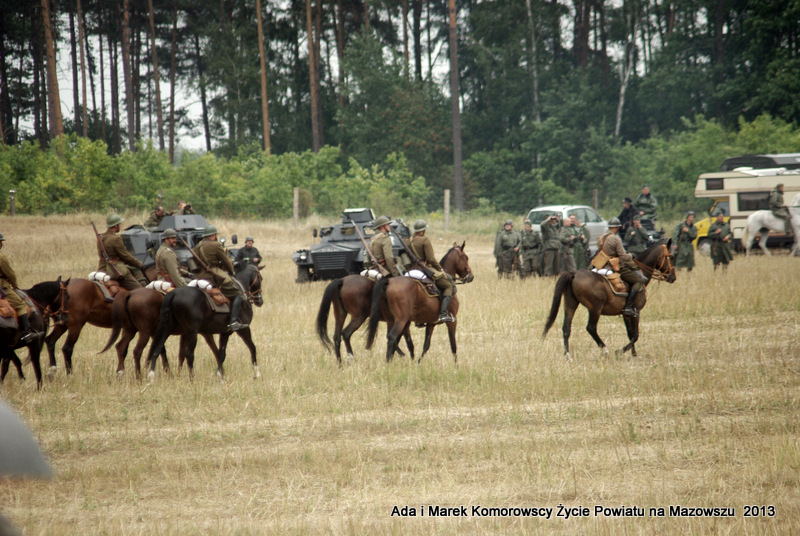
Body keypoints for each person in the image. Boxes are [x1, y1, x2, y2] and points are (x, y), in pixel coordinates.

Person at [193, 225, 248, 331]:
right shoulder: (216, 245)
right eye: (215, 235)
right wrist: (231, 271)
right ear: (213, 235)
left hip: (200, 276)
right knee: (238, 294)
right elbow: (226, 261)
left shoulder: (196, 247)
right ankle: (233, 321)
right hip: (214, 274)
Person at [595, 217, 646, 318]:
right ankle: (629, 307)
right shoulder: (615, 238)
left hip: (601, 265)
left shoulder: (601, 237)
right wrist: (631, 256)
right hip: (613, 266)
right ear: (617, 228)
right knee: (638, 281)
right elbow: (623, 256)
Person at [408, 219, 455, 323]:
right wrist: (440, 269)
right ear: (422, 231)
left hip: (413, 269)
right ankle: (444, 314)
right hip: (425, 269)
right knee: (448, 286)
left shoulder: (411, 242)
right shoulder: (425, 240)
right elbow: (431, 259)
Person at [0, 234, 38, 343]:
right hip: (2, 287)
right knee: (21, 305)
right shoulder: (1, 257)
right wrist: (15, 285)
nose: (1, 244)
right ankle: (27, 333)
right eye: (0, 241)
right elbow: (10, 274)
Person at [98, 213, 146, 290]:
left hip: (102, 268)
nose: (120, 226)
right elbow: (125, 256)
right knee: (139, 289)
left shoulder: (101, 237)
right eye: (119, 224)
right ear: (115, 226)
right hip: (114, 269)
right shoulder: (116, 238)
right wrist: (139, 264)